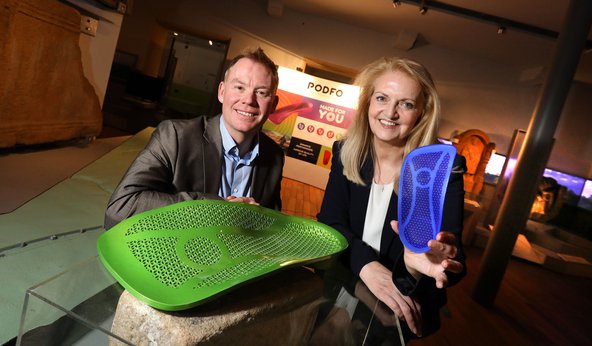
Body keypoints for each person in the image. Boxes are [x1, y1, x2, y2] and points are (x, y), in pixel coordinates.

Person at [317, 57, 466, 341]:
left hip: (396, 306)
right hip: (342, 285)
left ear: (423, 113)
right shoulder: (344, 152)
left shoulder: (441, 170)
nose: (391, 112)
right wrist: (367, 266)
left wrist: (416, 266)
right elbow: (330, 222)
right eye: (382, 98)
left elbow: (454, 262)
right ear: (368, 103)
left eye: (406, 104)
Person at [104, 47, 284, 229]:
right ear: (221, 92)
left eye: (261, 92)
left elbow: (272, 219)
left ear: (273, 105)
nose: (249, 100)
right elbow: (121, 207)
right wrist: (215, 209)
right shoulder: (175, 136)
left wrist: (259, 218)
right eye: (239, 87)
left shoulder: (274, 156)